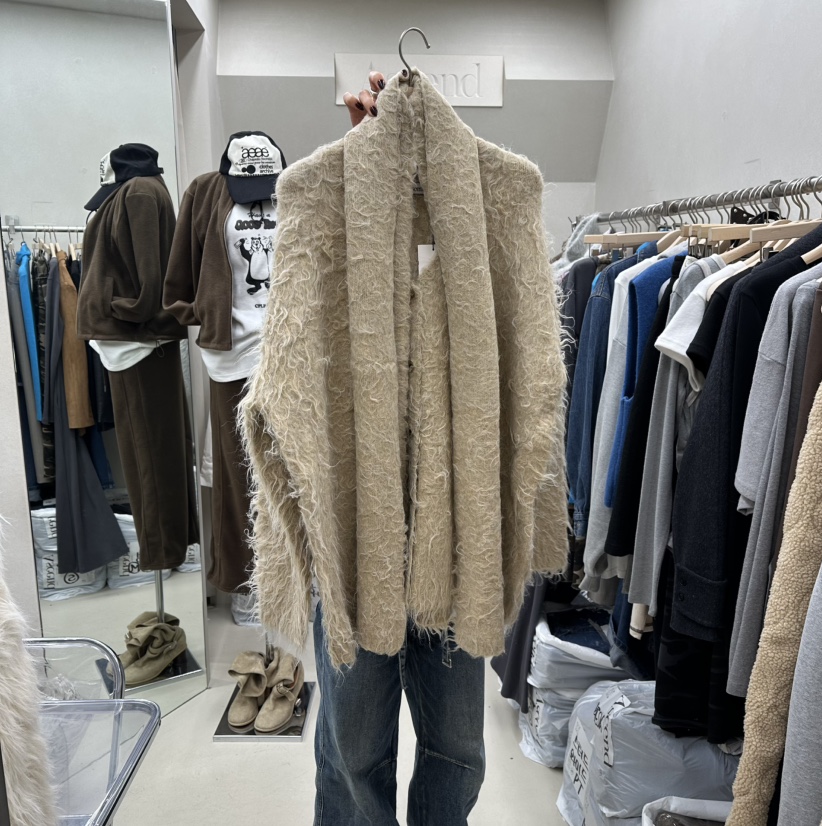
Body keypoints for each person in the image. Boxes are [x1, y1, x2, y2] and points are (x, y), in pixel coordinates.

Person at [311, 70, 486, 826]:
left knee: (458, 745)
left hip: (456, 531)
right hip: (359, 532)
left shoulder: (479, 216)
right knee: (353, 745)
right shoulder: (334, 214)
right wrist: (359, 156)